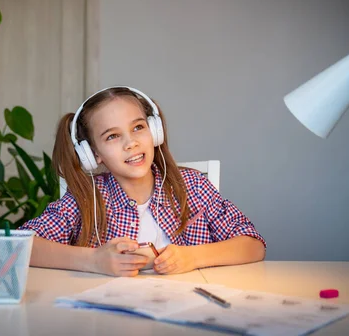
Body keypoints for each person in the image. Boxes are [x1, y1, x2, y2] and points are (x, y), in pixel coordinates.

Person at [19, 86, 266, 277]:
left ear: (154, 131)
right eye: (113, 136)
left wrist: (193, 257)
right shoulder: (86, 199)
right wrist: (94, 260)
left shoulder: (193, 187)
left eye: (138, 128)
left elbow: (253, 245)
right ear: (94, 155)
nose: (131, 143)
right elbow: (20, 246)